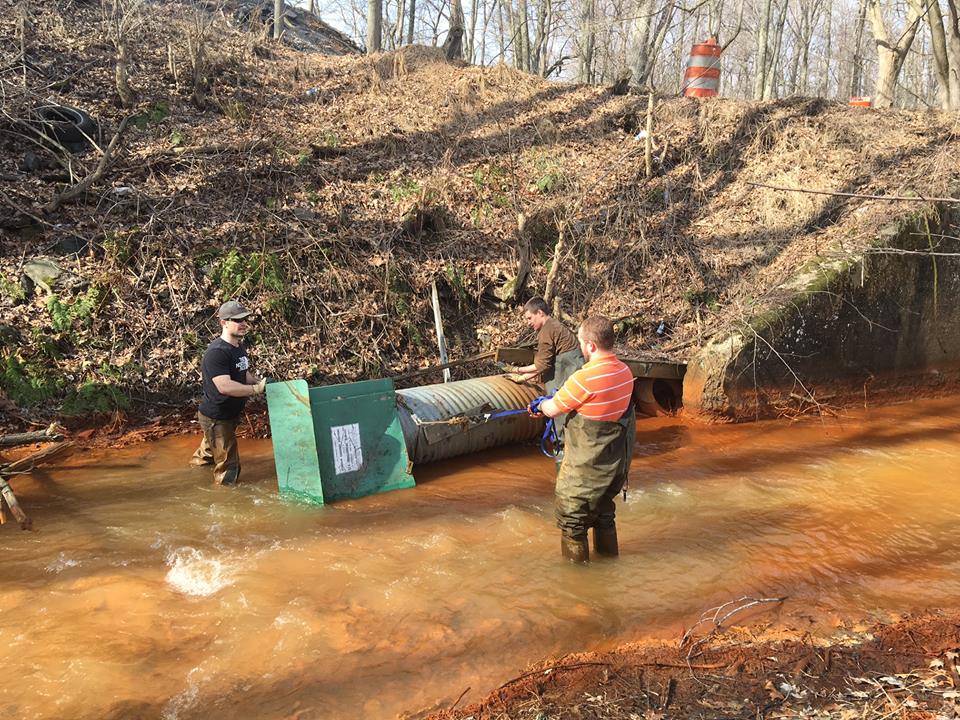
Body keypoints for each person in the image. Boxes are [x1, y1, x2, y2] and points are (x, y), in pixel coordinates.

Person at [528, 316, 636, 563]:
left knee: (572, 521)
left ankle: (578, 586)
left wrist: (540, 405)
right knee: (603, 514)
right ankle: (609, 568)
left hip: (586, 469)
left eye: (580, 341)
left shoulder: (583, 379)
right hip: (614, 468)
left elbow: (552, 409)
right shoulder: (625, 372)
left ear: (591, 346)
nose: (579, 346)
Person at [190, 300, 266, 486]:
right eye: (238, 320)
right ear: (223, 322)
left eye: (245, 319)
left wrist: (258, 381)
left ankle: (192, 478)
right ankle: (224, 502)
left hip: (228, 415)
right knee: (229, 467)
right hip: (217, 418)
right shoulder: (216, 353)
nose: (243, 324)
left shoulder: (238, 347)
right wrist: (256, 390)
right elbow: (224, 386)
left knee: (207, 456)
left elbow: (242, 373)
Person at [505, 297, 584, 453]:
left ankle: (561, 447)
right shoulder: (554, 325)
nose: (528, 322)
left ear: (540, 312)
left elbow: (542, 365)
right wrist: (522, 375)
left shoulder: (547, 330)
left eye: (529, 318)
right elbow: (545, 363)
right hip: (572, 369)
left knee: (560, 405)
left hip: (567, 369)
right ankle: (570, 444)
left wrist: (519, 373)